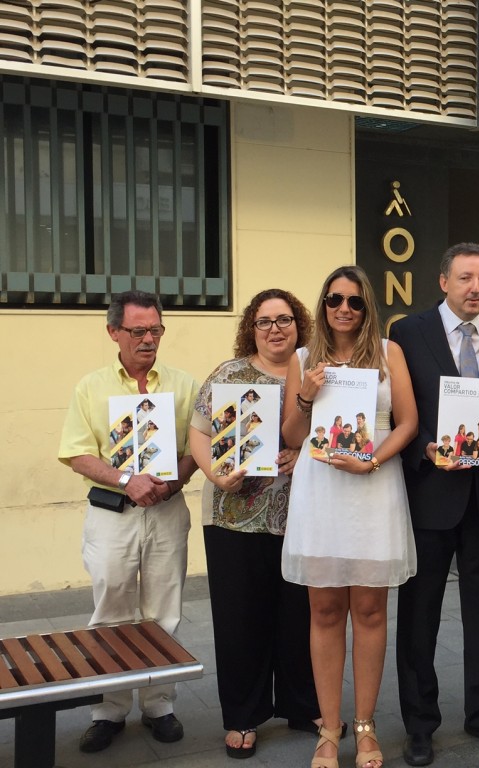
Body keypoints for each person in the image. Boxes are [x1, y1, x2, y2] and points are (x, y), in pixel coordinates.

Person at [389, 242, 479, 766]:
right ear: (443, 281)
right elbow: (401, 407)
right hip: (430, 493)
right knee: (419, 617)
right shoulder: (409, 332)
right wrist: (423, 443)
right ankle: (420, 724)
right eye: (466, 277)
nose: (476, 288)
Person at [281, 265, 418, 768]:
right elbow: (293, 436)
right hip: (321, 492)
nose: (344, 308)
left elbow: (408, 422)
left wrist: (374, 459)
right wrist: (305, 396)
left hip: (373, 484)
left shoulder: (388, 353)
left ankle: (364, 727)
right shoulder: (302, 358)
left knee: (370, 611)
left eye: (355, 301)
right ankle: (328, 728)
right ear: (323, 305)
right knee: (324, 611)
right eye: (335, 299)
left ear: (367, 309)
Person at [57, 290, 198, 753]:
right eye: (138, 330)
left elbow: (195, 450)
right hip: (111, 514)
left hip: (166, 511)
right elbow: (76, 452)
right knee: (111, 611)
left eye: (156, 330)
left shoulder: (184, 384)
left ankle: (159, 704)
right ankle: (109, 710)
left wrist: (173, 483)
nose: (148, 339)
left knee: (164, 611)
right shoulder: (90, 386)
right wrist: (125, 479)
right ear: (113, 332)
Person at [188, 288, 321, 759]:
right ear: (252, 326)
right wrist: (214, 474)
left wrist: (303, 450)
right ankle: (242, 716)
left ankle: (303, 706)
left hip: (301, 514)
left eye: (284, 319)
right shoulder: (231, 375)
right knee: (240, 618)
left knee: (300, 615)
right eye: (264, 321)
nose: (275, 329)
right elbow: (199, 431)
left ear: (298, 324)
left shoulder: (317, 373)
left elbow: (339, 431)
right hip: (233, 518)